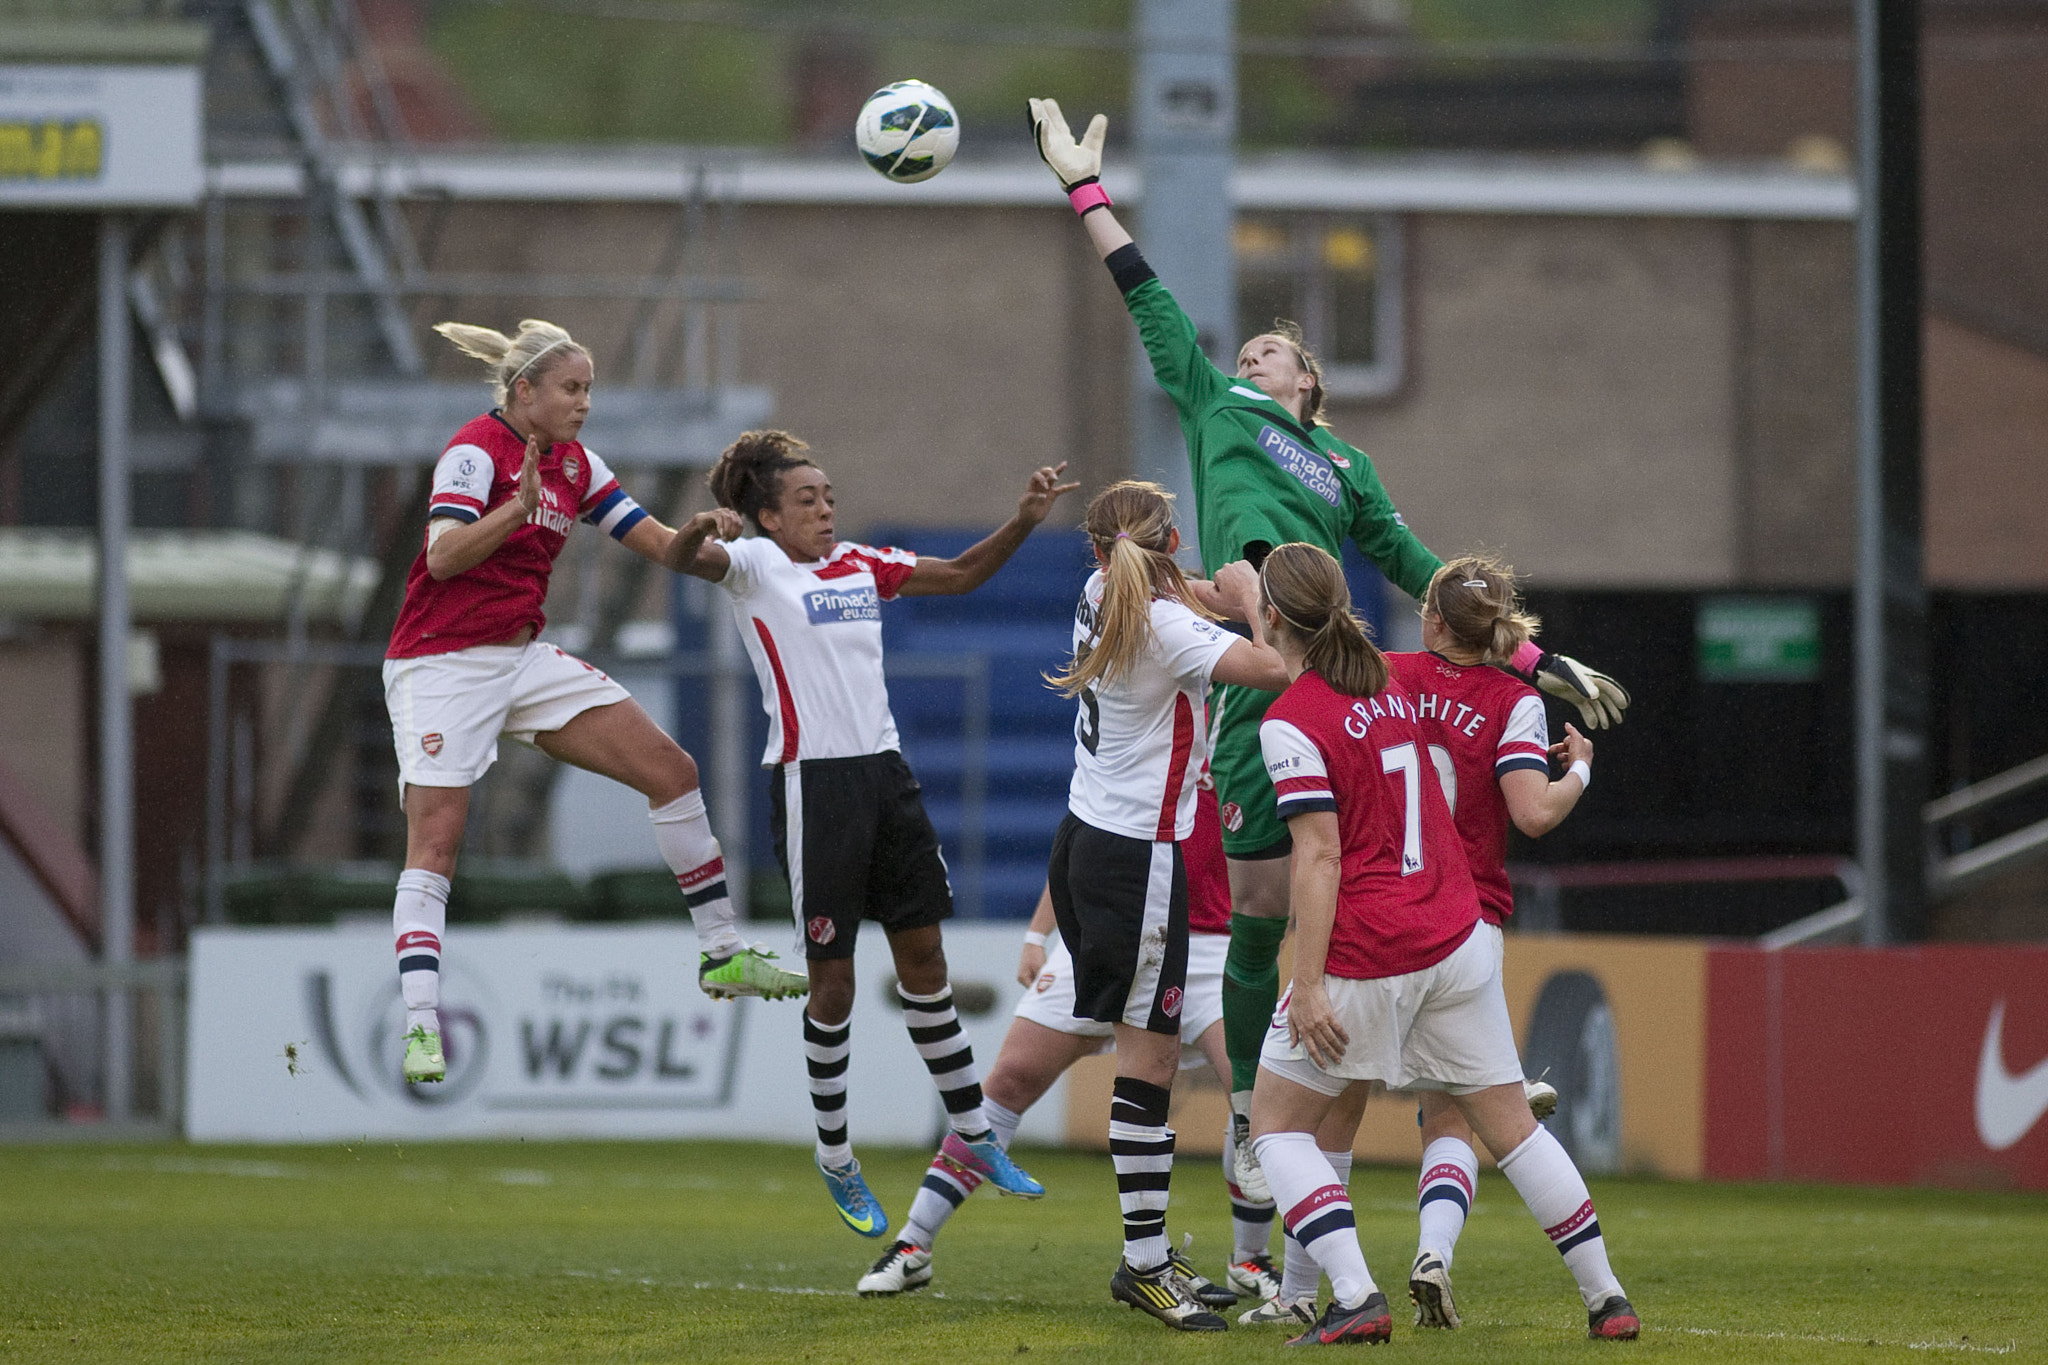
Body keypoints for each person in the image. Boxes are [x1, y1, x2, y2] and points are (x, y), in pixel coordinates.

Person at [1024, 97, 1633, 1200]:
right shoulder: (1213, 405)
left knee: (1382, 868)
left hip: (1335, 664)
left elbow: (1420, 570)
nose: (1253, 353)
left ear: (1308, 384)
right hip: (1265, 674)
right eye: (1249, 347)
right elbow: (1150, 307)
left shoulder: (1345, 468)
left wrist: (1534, 659)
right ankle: (1271, 1113)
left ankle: (1441, 1072)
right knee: (1266, 899)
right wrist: (1087, 196)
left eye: (1275, 352)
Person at [906, 479, 1288, 1330]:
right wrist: (1256, 598)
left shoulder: (1102, 592)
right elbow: (1277, 667)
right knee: (1147, 1063)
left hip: (1083, 843)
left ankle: (1164, 1254)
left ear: (1098, 549)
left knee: (1134, 1054)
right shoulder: (1162, 620)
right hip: (1139, 860)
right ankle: (1148, 1263)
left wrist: (1207, 592)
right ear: (1174, 541)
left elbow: (1172, 595)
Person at [381, 319, 802, 1087]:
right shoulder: (477, 450)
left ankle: (723, 951)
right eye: (572, 388)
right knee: (437, 842)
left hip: (519, 656)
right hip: (440, 662)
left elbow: (658, 544)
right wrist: (515, 509)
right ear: (524, 392)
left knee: (671, 769)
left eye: (589, 389)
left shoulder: (578, 465)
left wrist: (718, 544)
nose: (583, 403)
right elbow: (442, 557)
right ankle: (418, 1027)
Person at [677, 428, 1075, 1239]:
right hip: (814, 785)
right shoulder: (755, 567)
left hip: (887, 779)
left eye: (829, 498)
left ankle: (972, 1135)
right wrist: (699, 528)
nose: (825, 511)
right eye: (807, 501)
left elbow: (961, 575)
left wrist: (1025, 518)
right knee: (835, 986)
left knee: (925, 961)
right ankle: (836, 1156)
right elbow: (683, 557)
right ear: (765, 516)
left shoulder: (862, 563)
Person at [1244, 542, 1638, 1346]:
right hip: (1458, 930)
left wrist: (1308, 980)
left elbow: (1319, 855)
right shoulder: (1387, 678)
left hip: (1368, 944)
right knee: (1513, 1129)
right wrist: (1539, 659)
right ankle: (1609, 1299)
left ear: (1273, 617)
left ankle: (1351, 1293)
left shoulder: (1312, 710)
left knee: (1278, 1128)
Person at [855, 785, 1279, 1312]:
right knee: (1008, 1081)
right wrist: (1038, 934)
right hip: (1110, 927)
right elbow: (1095, 823)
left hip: (1210, 944)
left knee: (1256, 1094)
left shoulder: (1243, 728)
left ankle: (1249, 1258)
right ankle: (914, 1242)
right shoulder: (1146, 720)